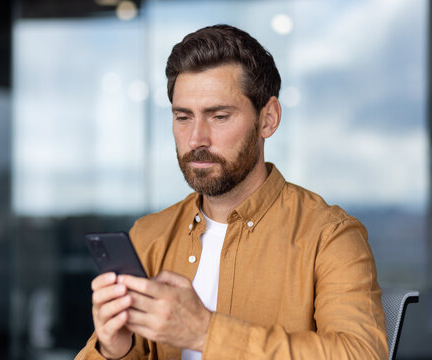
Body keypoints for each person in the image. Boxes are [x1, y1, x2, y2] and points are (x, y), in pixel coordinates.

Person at [76, 24, 388, 360]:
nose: (196, 138)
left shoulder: (330, 236)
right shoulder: (149, 236)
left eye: (219, 116)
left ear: (268, 119)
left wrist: (204, 332)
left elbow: (363, 354)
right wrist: (113, 350)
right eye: (183, 117)